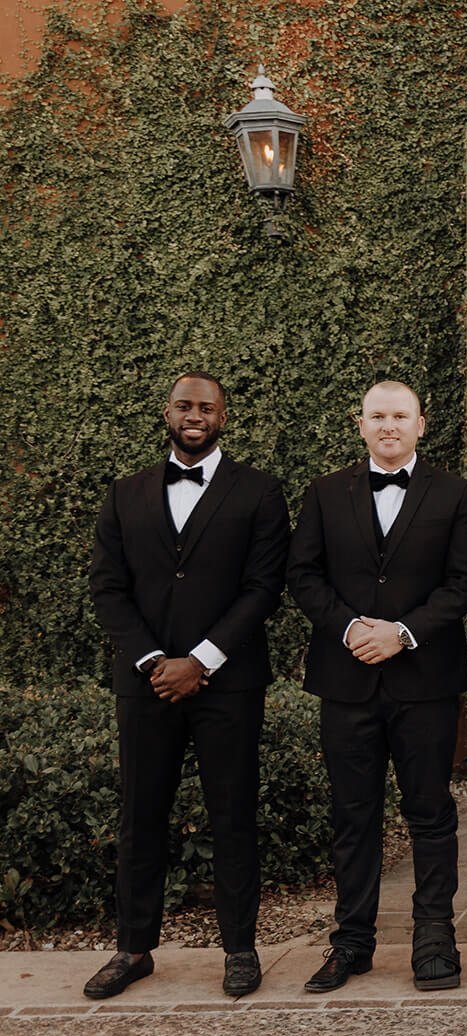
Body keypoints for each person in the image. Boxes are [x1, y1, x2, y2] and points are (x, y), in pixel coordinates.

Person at [85, 371, 290, 1000]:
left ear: (223, 417)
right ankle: (133, 948)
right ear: (167, 412)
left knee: (233, 815)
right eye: (184, 405)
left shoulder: (259, 492)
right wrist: (154, 660)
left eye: (206, 407)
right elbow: (108, 588)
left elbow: (263, 589)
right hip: (146, 684)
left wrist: (200, 660)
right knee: (140, 814)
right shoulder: (125, 495)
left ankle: (239, 949)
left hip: (228, 683)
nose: (194, 415)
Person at [287, 381, 467, 993]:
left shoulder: (455, 494)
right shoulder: (324, 493)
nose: (389, 425)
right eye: (378, 416)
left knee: (430, 813)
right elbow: (302, 574)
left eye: (400, 416)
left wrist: (402, 632)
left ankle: (434, 941)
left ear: (422, 423)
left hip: (424, 681)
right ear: (361, 423)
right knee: (353, 816)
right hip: (346, 681)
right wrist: (350, 628)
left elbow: (466, 581)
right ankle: (351, 943)